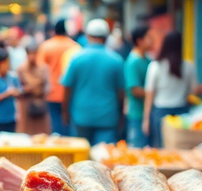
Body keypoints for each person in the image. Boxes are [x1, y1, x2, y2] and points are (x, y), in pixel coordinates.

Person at [143, 31, 202, 148]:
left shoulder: (155, 66)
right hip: (182, 114)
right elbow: (195, 91)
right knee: (182, 150)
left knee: (163, 150)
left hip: (161, 113)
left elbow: (149, 96)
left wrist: (146, 120)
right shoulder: (188, 66)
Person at [61, 18, 124, 146]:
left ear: (87, 35)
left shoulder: (76, 58)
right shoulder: (116, 60)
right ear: (106, 37)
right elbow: (121, 92)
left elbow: (67, 88)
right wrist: (120, 114)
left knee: (81, 161)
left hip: (81, 116)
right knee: (104, 160)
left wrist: (65, 111)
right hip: (107, 118)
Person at [37, 19, 81, 135]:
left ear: (54, 31)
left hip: (51, 92)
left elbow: (39, 69)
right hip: (71, 92)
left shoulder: (46, 46)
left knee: (55, 123)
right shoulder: (75, 47)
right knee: (69, 122)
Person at [124, 25, 154, 147]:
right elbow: (135, 90)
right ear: (139, 41)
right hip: (137, 114)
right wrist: (154, 94)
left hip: (147, 112)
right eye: (149, 37)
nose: (152, 40)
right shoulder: (133, 61)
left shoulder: (147, 59)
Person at [16, 41, 51, 135]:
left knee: (41, 134)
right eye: (30, 54)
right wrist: (26, 90)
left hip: (40, 104)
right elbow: (17, 89)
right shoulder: (21, 69)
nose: (32, 57)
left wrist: (38, 89)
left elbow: (48, 87)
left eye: (34, 54)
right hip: (26, 105)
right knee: (26, 134)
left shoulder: (44, 68)